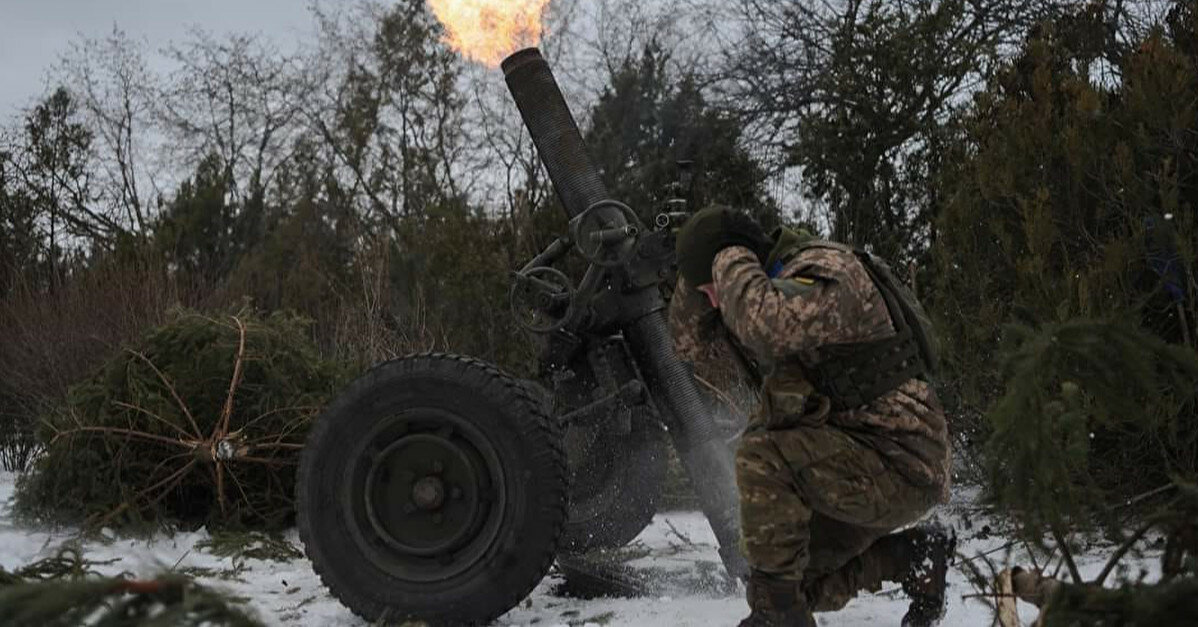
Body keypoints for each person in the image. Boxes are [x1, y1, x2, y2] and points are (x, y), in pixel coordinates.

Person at [670, 207, 954, 627]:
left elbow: (766, 326)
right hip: (853, 461)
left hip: (901, 462)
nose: (714, 300)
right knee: (780, 575)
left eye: (715, 288)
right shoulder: (767, 286)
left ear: (740, 262)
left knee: (762, 455)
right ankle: (912, 558)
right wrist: (695, 273)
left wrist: (726, 256)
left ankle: (778, 621)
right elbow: (686, 345)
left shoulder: (828, 270)